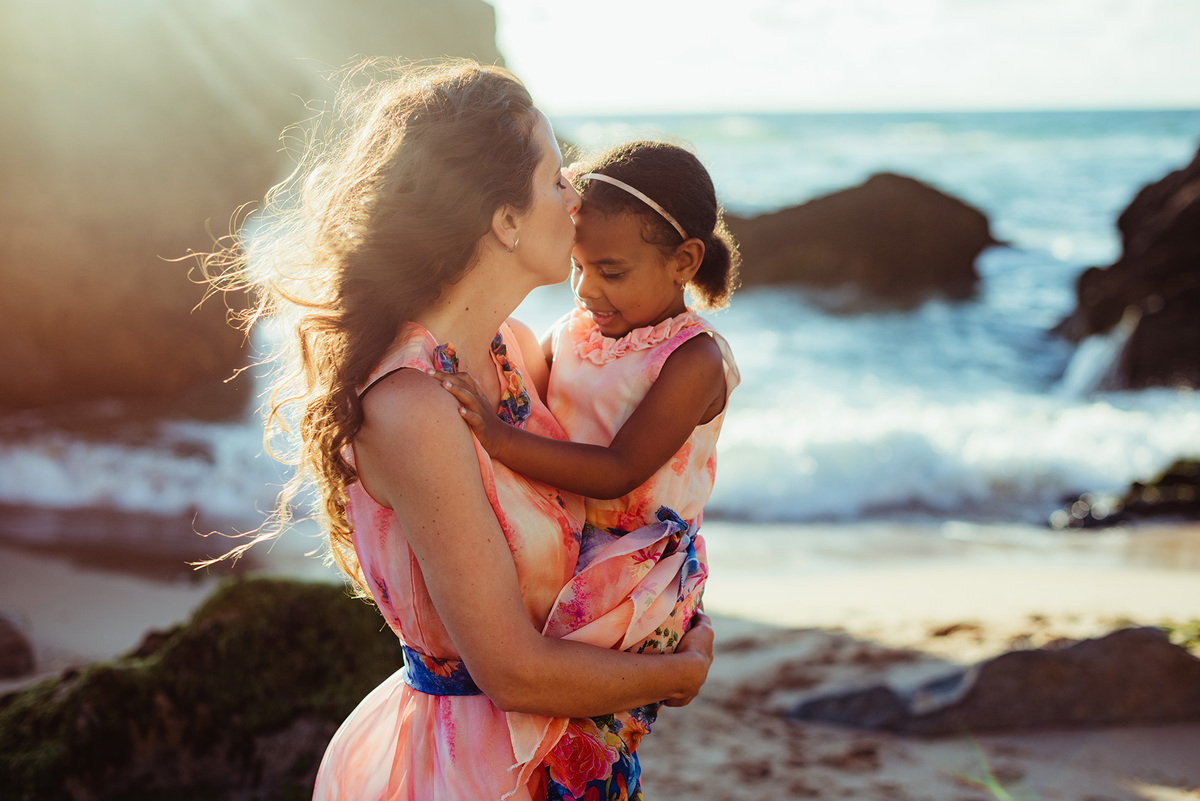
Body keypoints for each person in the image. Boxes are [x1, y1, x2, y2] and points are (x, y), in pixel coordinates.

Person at [210, 60, 715, 800]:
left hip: (554, 757)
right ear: (504, 219)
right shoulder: (411, 403)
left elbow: (615, 494)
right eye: (555, 181)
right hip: (471, 773)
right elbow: (510, 670)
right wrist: (678, 673)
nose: (576, 199)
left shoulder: (515, 349)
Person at [434, 141, 740, 800]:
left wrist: (493, 436)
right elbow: (529, 397)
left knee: (579, 737)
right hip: (574, 548)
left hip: (640, 571)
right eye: (577, 266)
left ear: (684, 260)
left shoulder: (693, 360)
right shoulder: (576, 330)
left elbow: (618, 469)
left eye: (611, 269)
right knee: (537, 718)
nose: (587, 289)